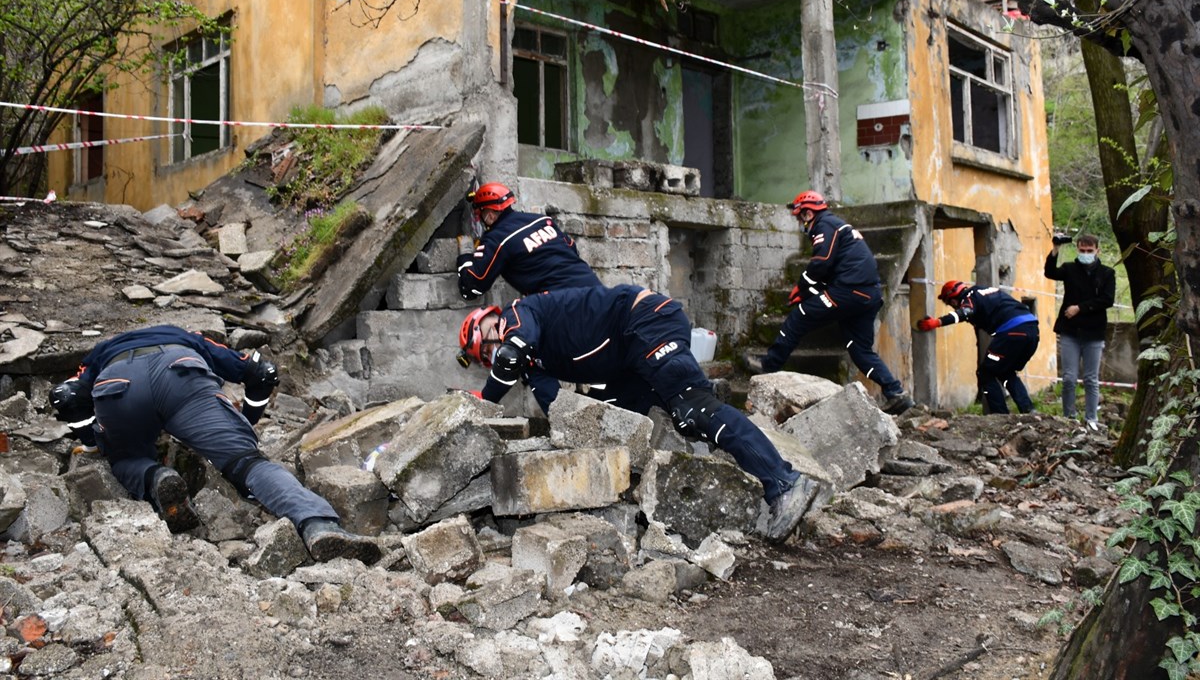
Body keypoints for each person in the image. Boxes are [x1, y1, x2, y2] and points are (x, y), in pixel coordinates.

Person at [455, 285, 822, 543]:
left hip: (644, 322)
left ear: (492, 320)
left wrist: (484, 400)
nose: (491, 348)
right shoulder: (533, 362)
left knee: (693, 408)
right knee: (620, 423)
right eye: (483, 351)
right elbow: (561, 411)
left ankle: (784, 483)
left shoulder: (518, 316)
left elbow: (511, 351)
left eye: (487, 338)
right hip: (628, 357)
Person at [49, 325, 381, 564]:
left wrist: (97, 444)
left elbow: (66, 397)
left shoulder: (97, 355)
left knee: (125, 460)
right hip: (180, 371)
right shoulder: (186, 336)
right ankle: (318, 524)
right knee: (248, 465)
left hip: (117, 384)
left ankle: (155, 478)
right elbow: (262, 372)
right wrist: (243, 426)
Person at [760, 190, 913, 415]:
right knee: (859, 349)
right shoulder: (838, 226)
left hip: (849, 291)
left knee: (800, 315)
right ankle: (895, 393)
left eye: (799, 216)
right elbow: (832, 268)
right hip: (866, 294)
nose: (799, 222)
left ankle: (769, 367)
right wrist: (808, 289)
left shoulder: (825, 225)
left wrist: (802, 286)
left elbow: (821, 262)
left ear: (809, 213)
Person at [457, 181, 602, 300]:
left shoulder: (497, 238)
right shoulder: (542, 220)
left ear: (489, 214)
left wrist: (466, 256)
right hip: (596, 288)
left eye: (480, 214)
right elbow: (571, 248)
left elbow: (473, 286)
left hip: (562, 302)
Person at [917, 281, 1041, 415]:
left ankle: (999, 415)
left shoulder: (969, 297)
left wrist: (937, 322)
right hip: (1032, 332)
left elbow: (966, 312)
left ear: (953, 300)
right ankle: (1029, 410)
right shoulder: (985, 290)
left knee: (985, 373)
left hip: (1012, 333)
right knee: (1006, 372)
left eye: (950, 304)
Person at [1044, 233, 1116, 429]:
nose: (1085, 254)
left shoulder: (1107, 273)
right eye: (1082, 251)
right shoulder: (1070, 269)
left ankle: (1092, 418)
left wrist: (1080, 308)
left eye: (1089, 251)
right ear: (1078, 250)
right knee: (1068, 378)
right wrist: (1055, 249)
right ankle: (1069, 418)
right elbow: (1050, 273)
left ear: (1097, 251)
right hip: (1070, 331)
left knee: (1091, 379)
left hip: (1093, 331)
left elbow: (1107, 300)